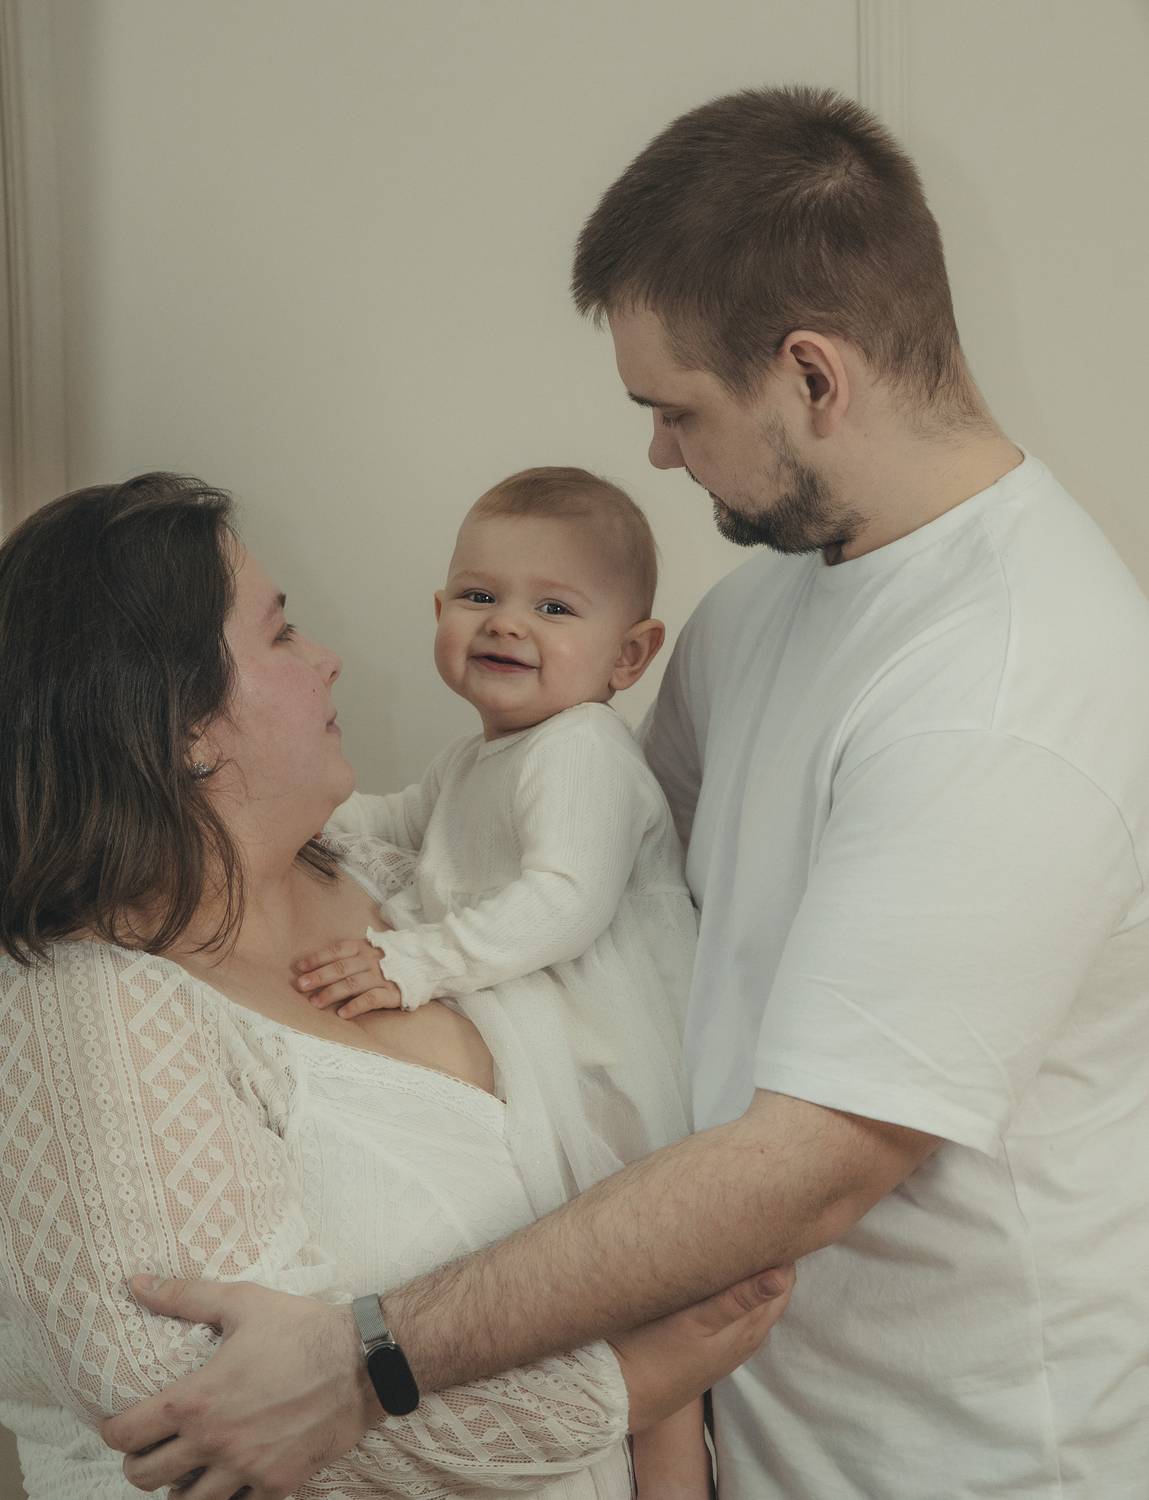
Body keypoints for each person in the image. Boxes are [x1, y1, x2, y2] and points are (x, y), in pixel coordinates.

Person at [98, 84, 1149, 1500]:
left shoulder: (1009, 691)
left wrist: (366, 1357)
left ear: (813, 377)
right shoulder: (765, 607)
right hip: (749, 1424)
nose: (655, 453)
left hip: (959, 1459)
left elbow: (819, 1161)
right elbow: (604, 893)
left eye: (675, 410)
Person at [0, 472, 793, 1500]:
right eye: (282, 634)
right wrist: (636, 1381)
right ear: (184, 723)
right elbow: (200, 1423)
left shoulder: (394, 882)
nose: (328, 659)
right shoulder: (86, 1012)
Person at [298, 462, 705, 1492]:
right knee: (575, 1302)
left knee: (643, 1304)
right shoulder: (475, 757)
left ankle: (675, 1473)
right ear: (439, 610)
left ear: (629, 654)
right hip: (553, 1053)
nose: (507, 623)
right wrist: (288, 809)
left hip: (615, 1069)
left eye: (553, 607)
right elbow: (393, 822)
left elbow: (564, 901)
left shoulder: (580, 749)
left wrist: (418, 959)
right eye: (479, 595)